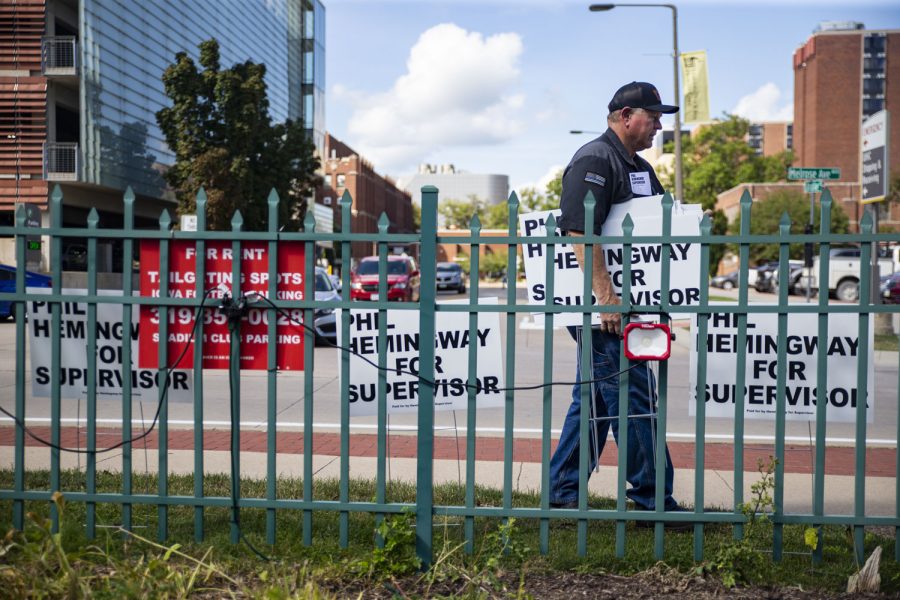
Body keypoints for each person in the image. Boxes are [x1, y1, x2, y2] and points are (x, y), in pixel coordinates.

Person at [548, 81, 686, 526]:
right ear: (625, 115)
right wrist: (606, 297)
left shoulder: (638, 167)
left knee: (593, 400)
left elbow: (657, 229)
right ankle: (651, 500)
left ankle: (563, 493)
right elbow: (578, 229)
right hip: (602, 306)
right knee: (632, 394)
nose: (660, 124)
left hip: (625, 304)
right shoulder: (595, 158)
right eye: (653, 115)